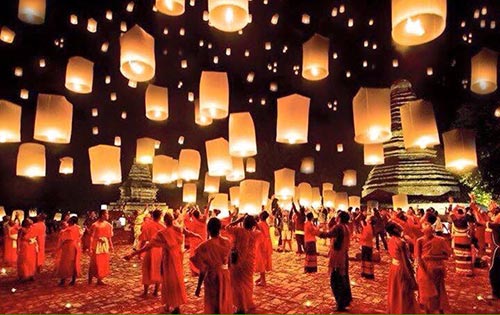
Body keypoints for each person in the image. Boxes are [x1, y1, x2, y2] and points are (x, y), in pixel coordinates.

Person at [125, 213, 201, 314]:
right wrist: (196, 235)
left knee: (170, 281)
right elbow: (187, 232)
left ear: (165, 221)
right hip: (175, 258)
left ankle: (172, 304)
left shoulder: (165, 232)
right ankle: (173, 304)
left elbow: (148, 246)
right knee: (175, 280)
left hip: (171, 259)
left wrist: (133, 254)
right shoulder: (172, 230)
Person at [190, 217, 233, 314]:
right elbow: (229, 263)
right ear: (220, 228)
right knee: (223, 299)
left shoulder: (204, 246)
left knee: (213, 302)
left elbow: (203, 269)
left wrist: (198, 287)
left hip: (212, 276)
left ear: (208, 229)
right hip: (224, 275)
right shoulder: (227, 242)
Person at [415, 214, 452, 314]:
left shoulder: (441, 240)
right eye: (425, 224)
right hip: (425, 269)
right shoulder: (419, 241)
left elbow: (447, 255)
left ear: (433, 228)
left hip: (437, 268)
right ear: (422, 230)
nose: (428, 225)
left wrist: (432, 257)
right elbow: (418, 258)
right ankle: (428, 310)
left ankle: (440, 309)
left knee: (438, 290)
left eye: (428, 224)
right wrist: (422, 271)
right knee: (426, 292)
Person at [317, 211, 352, 312]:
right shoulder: (346, 227)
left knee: (336, 280)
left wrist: (316, 232)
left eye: (338, 215)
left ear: (340, 218)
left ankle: (340, 303)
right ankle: (345, 301)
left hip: (337, 257)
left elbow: (328, 234)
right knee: (343, 278)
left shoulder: (339, 227)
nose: (336, 217)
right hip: (343, 255)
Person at [225, 215, 260, 314]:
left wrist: (237, 220)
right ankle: (247, 304)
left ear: (243, 223)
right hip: (249, 261)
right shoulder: (255, 234)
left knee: (237, 284)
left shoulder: (238, 231)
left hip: (237, 261)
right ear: (253, 224)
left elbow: (227, 227)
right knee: (247, 283)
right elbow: (261, 230)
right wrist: (255, 223)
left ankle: (240, 307)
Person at [386, 222, 418, 314]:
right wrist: (411, 276)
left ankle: (394, 309)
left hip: (393, 267)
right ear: (396, 229)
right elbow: (405, 260)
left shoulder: (391, 240)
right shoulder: (401, 242)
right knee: (403, 291)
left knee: (395, 291)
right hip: (401, 268)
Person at [138, 209, 165, 297]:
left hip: (149, 249)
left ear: (152, 216)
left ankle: (145, 291)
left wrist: (139, 252)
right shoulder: (163, 227)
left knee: (146, 269)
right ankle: (156, 291)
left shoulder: (147, 225)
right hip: (160, 250)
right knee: (158, 269)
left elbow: (143, 240)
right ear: (160, 216)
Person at [89, 210, 114, 285]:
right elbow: (91, 237)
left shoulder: (108, 225)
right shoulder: (95, 225)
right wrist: (90, 247)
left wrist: (111, 246)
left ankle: (100, 279)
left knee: (103, 262)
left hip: (104, 245)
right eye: (107, 214)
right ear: (102, 215)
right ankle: (90, 276)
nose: (108, 215)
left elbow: (109, 237)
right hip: (96, 245)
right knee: (94, 262)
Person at [56, 216, 82, 286]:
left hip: (68, 247)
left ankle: (63, 280)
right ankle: (73, 280)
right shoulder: (77, 228)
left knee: (65, 263)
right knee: (74, 262)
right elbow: (80, 235)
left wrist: (58, 248)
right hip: (75, 245)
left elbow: (63, 239)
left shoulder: (67, 230)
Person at [187, 200, 211, 276]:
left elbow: (188, 230)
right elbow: (206, 211)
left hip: (195, 242)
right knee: (202, 255)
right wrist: (209, 202)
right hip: (202, 241)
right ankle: (201, 269)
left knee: (194, 255)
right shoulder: (204, 220)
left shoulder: (193, 223)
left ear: (193, 216)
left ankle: (195, 270)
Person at [255, 211, 273, 286]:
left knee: (260, 261)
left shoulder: (260, 224)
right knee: (263, 260)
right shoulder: (265, 223)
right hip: (266, 243)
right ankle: (261, 277)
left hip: (261, 244)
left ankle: (263, 280)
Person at [486, 211, 500, 300]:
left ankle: (495, 294)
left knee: (493, 272)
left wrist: (474, 208)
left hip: (498, 252)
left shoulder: (497, 226)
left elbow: (481, 221)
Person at [360, 215, 375, 279]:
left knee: (365, 260)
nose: (366, 218)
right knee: (368, 259)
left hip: (366, 245)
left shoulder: (367, 227)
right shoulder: (371, 227)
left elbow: (364, 237)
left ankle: (366, 274)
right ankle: (369, 273)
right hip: (369, 245)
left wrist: (357, 236)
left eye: (367, 218)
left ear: (370, 221)